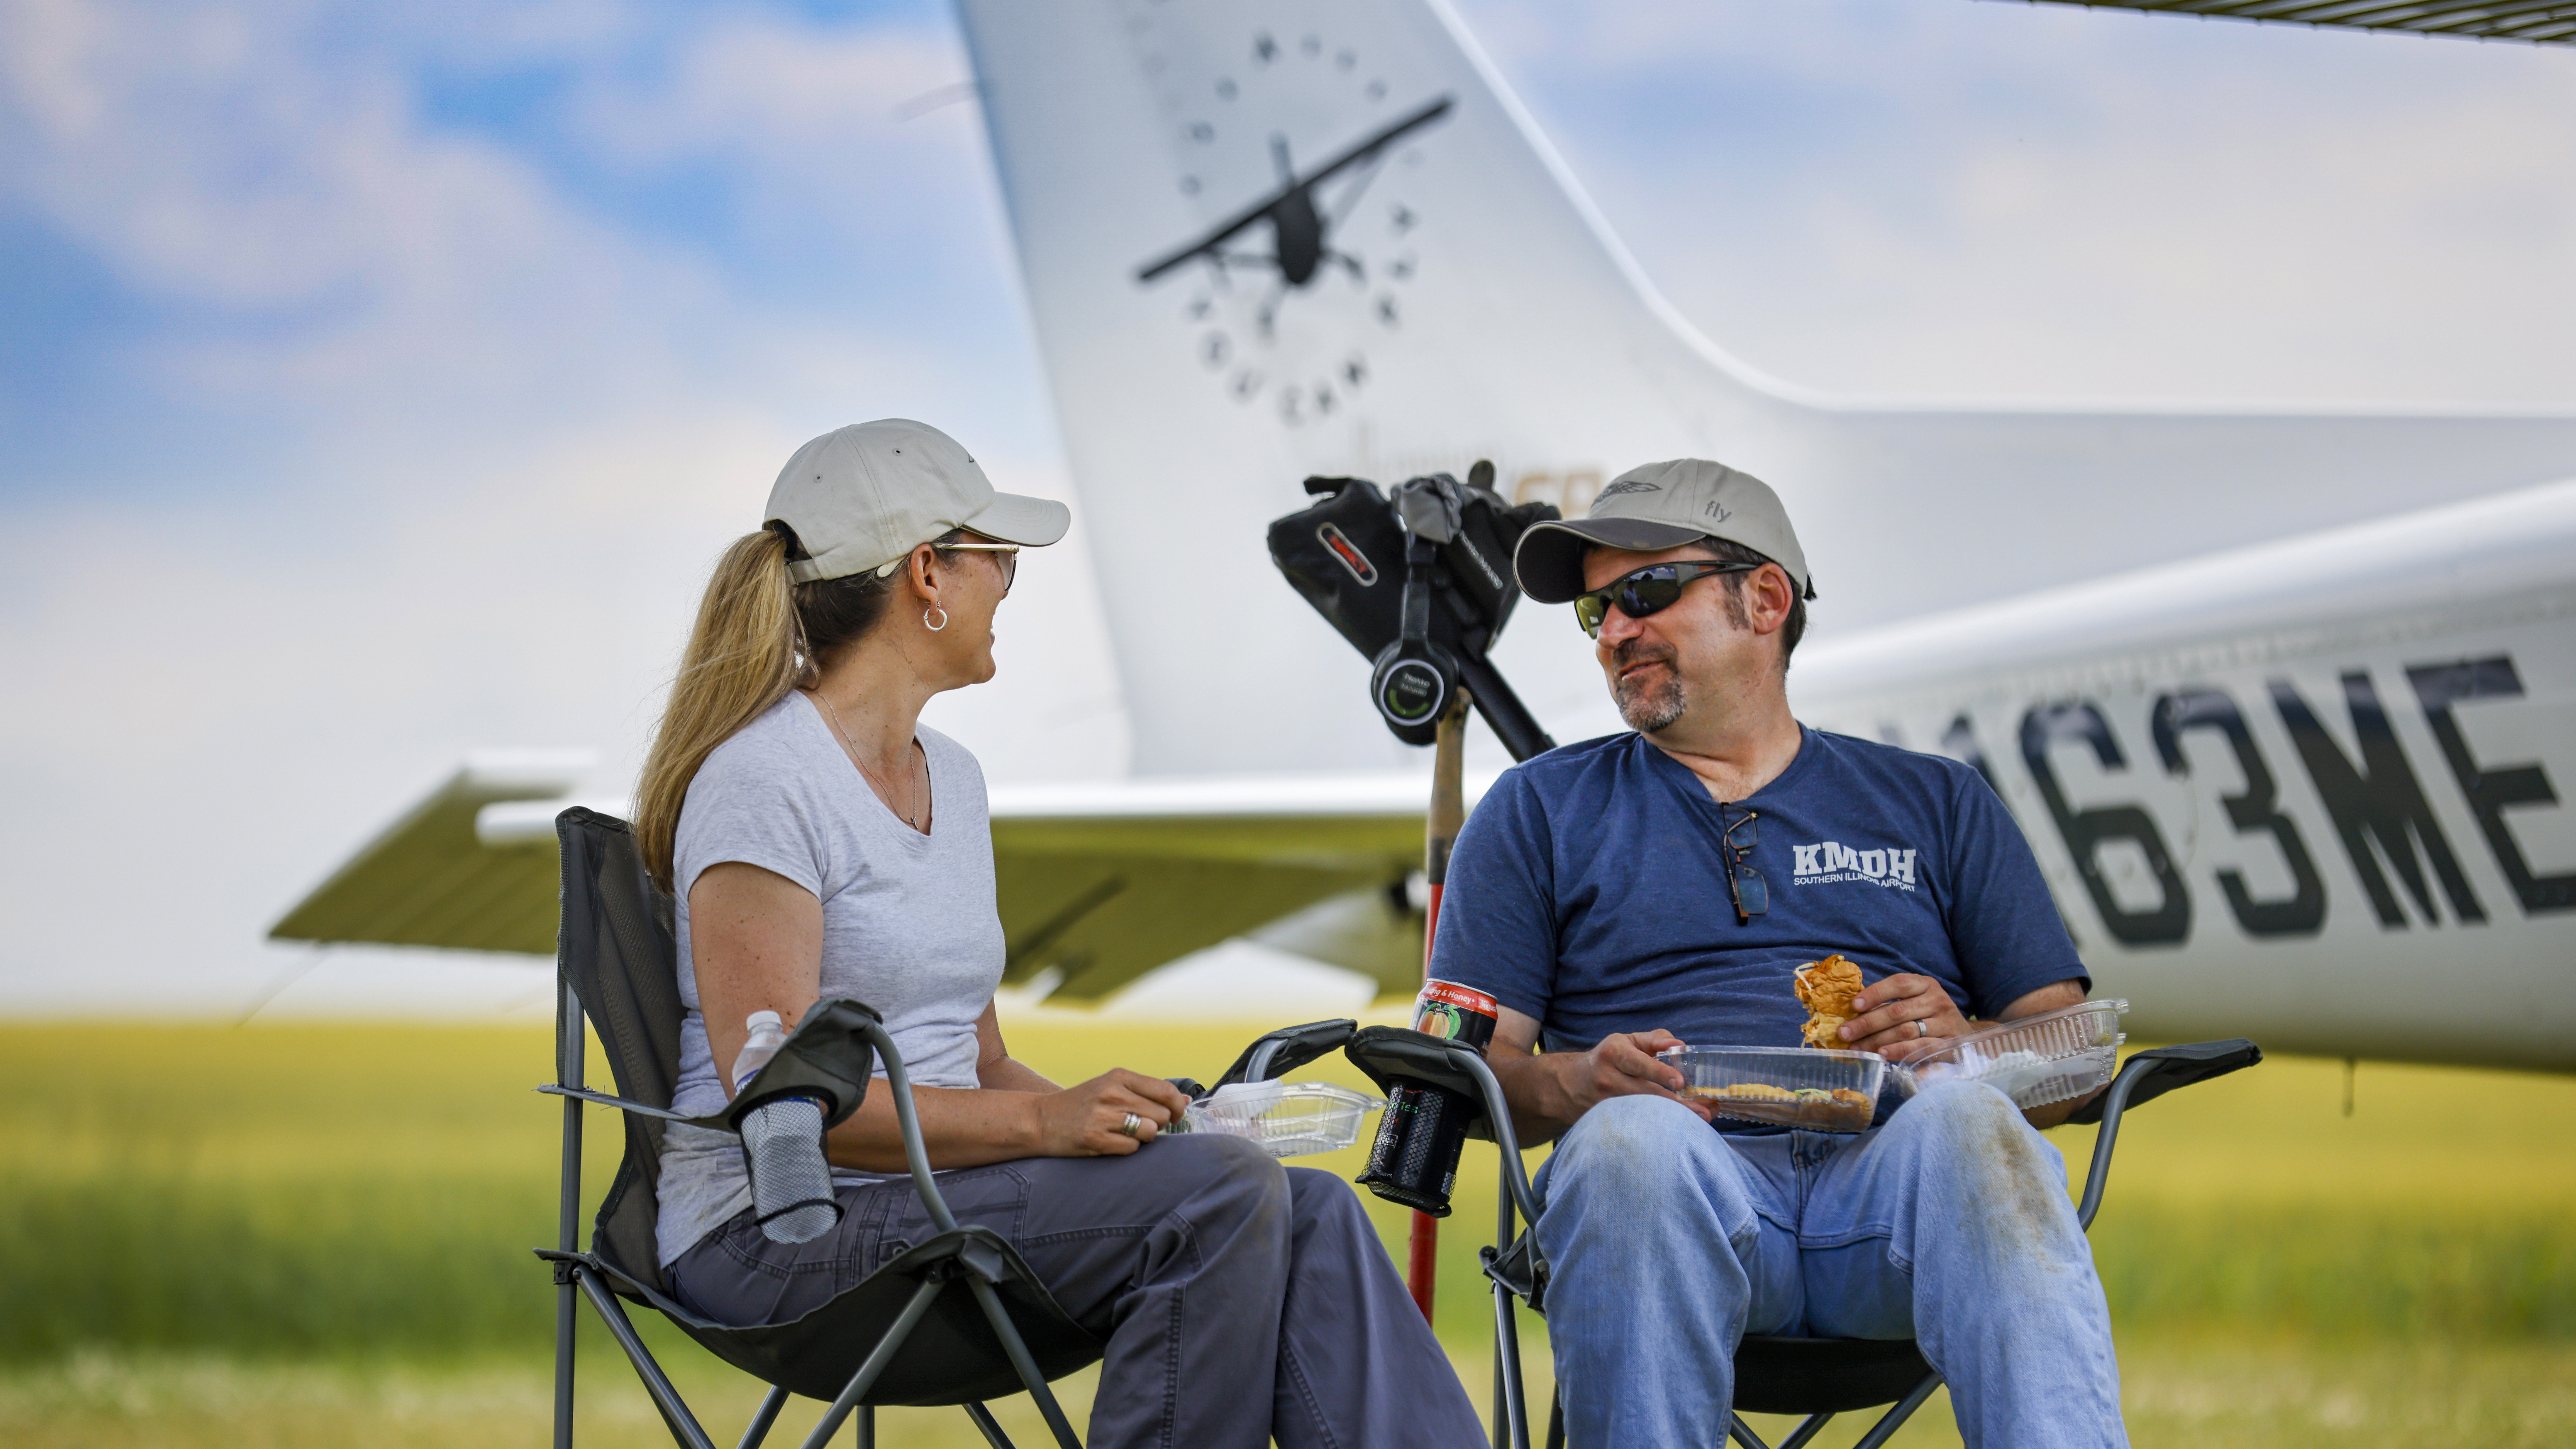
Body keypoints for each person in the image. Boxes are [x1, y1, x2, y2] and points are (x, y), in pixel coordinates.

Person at [633, 419, 1483, 1449]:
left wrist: (1152, 1126)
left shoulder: (954, 779)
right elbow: (788, 1109)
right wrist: (1052, 1127)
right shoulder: (765, 782)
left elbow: (979, 1059)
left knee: (1312, 1210)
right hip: (782, 1237)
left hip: (937, 1208)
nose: (1009, 584)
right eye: (998, 558)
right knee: (1218, 1202)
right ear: (927, 574)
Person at [1430, 458, 2125, 1447]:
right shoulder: (1538, 811)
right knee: (1633, 1142)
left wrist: (1965, 1039)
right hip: (1679, 1208)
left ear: (1763, 599)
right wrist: (1582, 1081)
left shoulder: (1935, 800)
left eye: (1644, 593)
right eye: (1598, 615)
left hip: (1894, 1205)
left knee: (1976, 1124)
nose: (1615, 633)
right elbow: (1473, 1071)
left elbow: (2073, 1055)